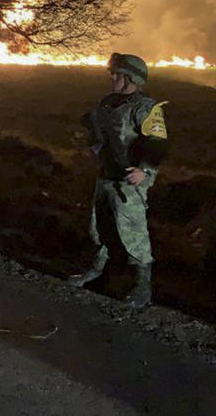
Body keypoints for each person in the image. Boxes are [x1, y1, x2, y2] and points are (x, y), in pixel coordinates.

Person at [68, 53, 168, 309]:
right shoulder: (109, 103)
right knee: (99, 226)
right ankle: (96, 271)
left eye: (117, 74)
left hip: (129, 181)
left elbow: (157, 145)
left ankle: (142, 287)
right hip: (107, 176)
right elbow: (96, 128)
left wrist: (144, 171)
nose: (112, 78)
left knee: (134, 234)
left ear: (131, 78)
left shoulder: (145, 108)